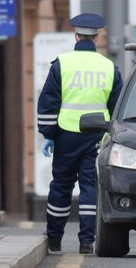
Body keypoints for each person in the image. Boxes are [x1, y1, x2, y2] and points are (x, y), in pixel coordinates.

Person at [37, 13, 123, 255]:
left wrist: (49, 135)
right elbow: (116, 109)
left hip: (66, 135)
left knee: (61, 186)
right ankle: (87, 241)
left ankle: (54, 239)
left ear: (76, 36)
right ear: (97, 37)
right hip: (97, 137)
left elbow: (48, 103)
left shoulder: (61, 64)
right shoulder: (109, 67)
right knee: (90, 187)